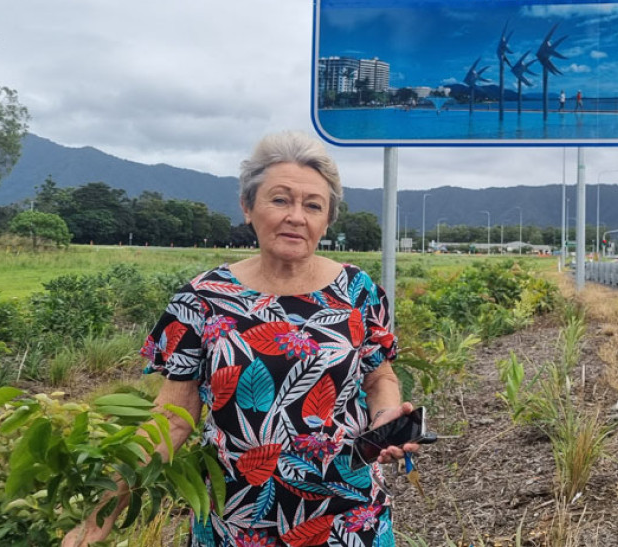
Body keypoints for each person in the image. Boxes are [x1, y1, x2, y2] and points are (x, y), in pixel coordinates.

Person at [64, 131, 417, 546]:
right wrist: (95, 522)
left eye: (313, 205)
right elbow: (173, 419)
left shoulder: (358, 290)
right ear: (248, 207)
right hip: (238, 521)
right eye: (280, 199)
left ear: (327, 220)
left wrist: (385, 417)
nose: (296, 216)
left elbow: (380, 379)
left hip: (348, 517)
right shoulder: (203, 298)